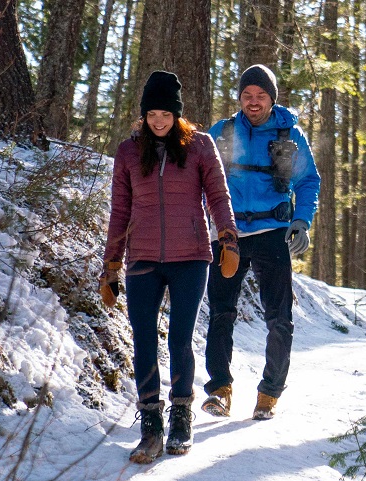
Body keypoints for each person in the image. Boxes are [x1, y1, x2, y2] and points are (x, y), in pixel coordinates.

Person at [100, 70, 241, 464]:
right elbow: (119, 210)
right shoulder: (129, 152)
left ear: (178, 115)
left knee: (179, 337)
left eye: (166, 113)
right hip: (142, 258)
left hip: (191, 257)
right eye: (152, 114)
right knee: (143, 337)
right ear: (143, 115)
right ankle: (150, 423)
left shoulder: (200, 146)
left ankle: (181, 415)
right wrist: (111, 263)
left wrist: (227, 236)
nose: (158, 121)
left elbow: (218, 195)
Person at [202, 64, 321, 421]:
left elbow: (308, 182)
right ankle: (219, 390)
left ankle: (269, 392)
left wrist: (301, 222)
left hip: (273, 233)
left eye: (261, 96)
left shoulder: (291, 135)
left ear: (272, 98)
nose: (254, 102)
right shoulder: (220, 132)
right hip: (228, 234)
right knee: (221, 313)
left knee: (279, 319)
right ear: (240, 98)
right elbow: (199, 179)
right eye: (247, 95)